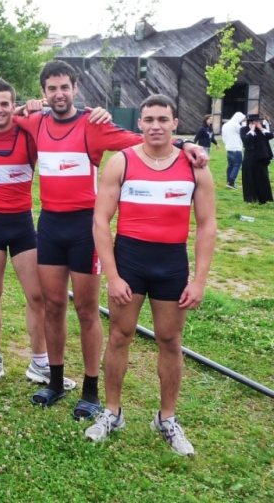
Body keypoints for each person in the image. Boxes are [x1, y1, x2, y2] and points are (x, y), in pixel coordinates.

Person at [0, 60, 206, 420]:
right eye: (51, 89)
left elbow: (143, 139)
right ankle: (56, 381)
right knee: (53, 305)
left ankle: (90, 390)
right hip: (50, 226)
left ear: (75, 89)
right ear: (43, 94)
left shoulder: (94, 126)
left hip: (84, 230)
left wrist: (182, 144)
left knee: (87, 311)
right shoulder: (35, 122)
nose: (58, 94)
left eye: (64, 87)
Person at [86, 94, 216, 456]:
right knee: (120, 335)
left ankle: (167, 418)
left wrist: (199, 280)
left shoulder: (195, 167)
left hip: (171, 263)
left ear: (176, 124)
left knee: (170, 341)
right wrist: (112, 275)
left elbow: (207, 226)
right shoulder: (120, 162)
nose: (155, 125)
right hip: (130, 258)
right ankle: (112, 412)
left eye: (163, 119)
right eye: (148, 119)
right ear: (139, 124)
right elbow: (100, 221)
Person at [0, 78, 75, 391]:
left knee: (37, 297)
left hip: (23, 226)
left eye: (5, 104)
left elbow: (56, 122)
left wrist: (30, 111)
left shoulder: (29, 136)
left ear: (12, 106)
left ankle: (39, 363)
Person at [240, 114, 274, 204]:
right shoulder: (244, 129)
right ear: (251, 122)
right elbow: (246, 140)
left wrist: (261, 129)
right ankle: (251, 198)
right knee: (249, 177)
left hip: (262, 156)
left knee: (263, 177)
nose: (258, 123)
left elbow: (270, 136)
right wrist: (251, 130)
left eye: (259, 121)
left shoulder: (262, 128)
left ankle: (264, 198)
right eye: (256, 121)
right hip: (250, 156)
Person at [221, 111, 245, 189]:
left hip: (229, 148)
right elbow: (243, 133)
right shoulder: (236, 125)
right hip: (236, 148)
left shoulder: (225, 125)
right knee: (236, 165)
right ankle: (231, 182)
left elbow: (223, 137)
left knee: (230, 165)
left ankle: (229, 181)